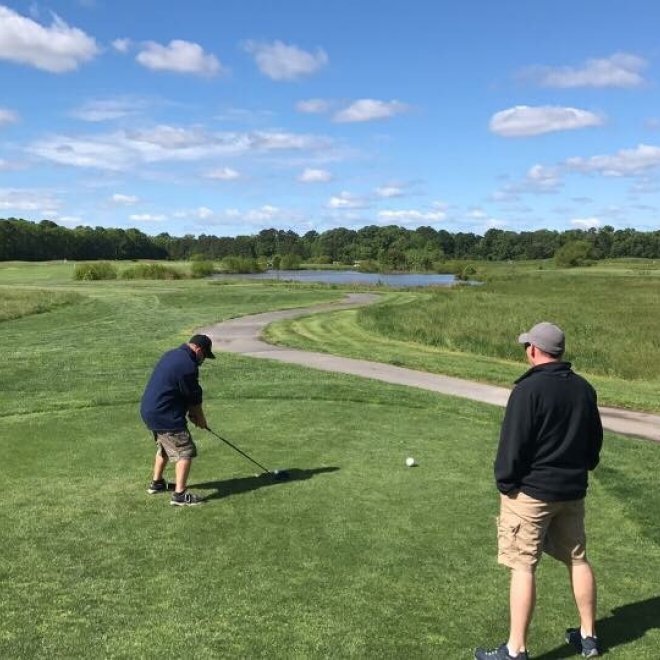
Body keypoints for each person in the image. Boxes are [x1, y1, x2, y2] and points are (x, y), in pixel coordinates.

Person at [475, 322, 603, 660]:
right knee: (578, 558)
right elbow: (593, 448)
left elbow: (511, 448)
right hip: (572, 492)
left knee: (523, 565)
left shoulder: (527, 390)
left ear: (534, 349)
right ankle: (588, 636)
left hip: (532, 494)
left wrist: (506, 484)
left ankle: (515, 649)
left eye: (527, 346)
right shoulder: (584, 389)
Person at [140, 334, 215, 506]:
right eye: (204, 355)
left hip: (150, 410)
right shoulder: (188, 366)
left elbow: (181, 392)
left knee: (165, 447)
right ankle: (180, 495)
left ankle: (157, 483)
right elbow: (194, 398)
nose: (203, 360)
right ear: (198, 350)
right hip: (164, 413)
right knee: (185, 450)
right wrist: (201, 420)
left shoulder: (172, 354)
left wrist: (192, 413)